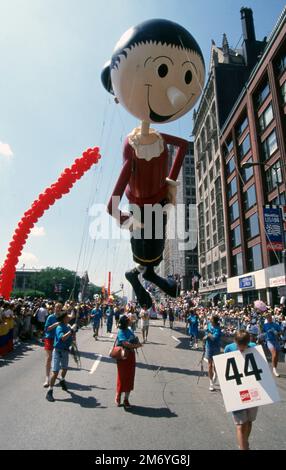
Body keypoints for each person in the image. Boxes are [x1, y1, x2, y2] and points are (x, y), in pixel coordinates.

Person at [224, 330, 258, 450]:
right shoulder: (229, 348)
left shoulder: (254, 348)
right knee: (240, 424)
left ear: (249, 342)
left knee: (249, 422)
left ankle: (244, 442)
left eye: (244, 348)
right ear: (235, 342)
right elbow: (225, 370)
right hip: (236, 392)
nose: (241, 351)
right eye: (239, 348)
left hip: (252, 391)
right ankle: (243, 447)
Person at [46, 311, 77, 402]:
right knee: (55, 372)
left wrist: (73, 335)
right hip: (58, 351)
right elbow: (62, 338)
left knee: (65, 368)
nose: (69, 318)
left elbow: (71, 338)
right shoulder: (59, 327)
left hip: (65, 351)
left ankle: (62, 380)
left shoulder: (67, 326)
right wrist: (71, 331)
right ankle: (49, 391)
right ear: (63, 318)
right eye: (67, 317)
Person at [115, 315, 142, 408]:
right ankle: (118, 395)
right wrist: (136, 345)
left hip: (131, 356)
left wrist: (137, 342)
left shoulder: (130, 330)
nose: (130, 320)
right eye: (128, 320)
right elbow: (125, 343)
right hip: (123, 357)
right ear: (125, 322)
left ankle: (126, 399)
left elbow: (133, 340)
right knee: (122, 377)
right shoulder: (121, 332)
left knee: (130, 377)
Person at [43, 303, 62, 387]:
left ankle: (54, 375)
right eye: (57, 307)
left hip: (58, 340)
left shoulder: (62, 317)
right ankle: (47, 379)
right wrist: (56, 324)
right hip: (49, 338)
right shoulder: (50, 317)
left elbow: (71, 317)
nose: (58, 309)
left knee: (56, 359)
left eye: (60, 308)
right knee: (49, 358)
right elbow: (47, 329)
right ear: (54, 308)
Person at [203, 314, 221, 391]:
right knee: (210, 365)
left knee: (215, 365)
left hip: (216, 348)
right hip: (209, 347)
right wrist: (205, 333)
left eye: (211, 319)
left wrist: (208, 335)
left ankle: (216, 375)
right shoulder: (209, 325)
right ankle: (211, 383)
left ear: (215, 321)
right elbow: (206, 333)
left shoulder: (218, 329)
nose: (210, 320)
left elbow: (214, 338)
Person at [263, 312, 281, 377]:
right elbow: (262, 332)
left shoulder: (276, 325)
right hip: (269, 341)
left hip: (276, 341)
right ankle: (274, 369)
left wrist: (276, 332)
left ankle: (274, 368)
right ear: (266, 319)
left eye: (270, 317)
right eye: (267, 317)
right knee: (274, 353)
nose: (269, 318)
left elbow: (280, 332)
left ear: (271, 318)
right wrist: (264, 334)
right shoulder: (265, 325)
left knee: (276, 356)